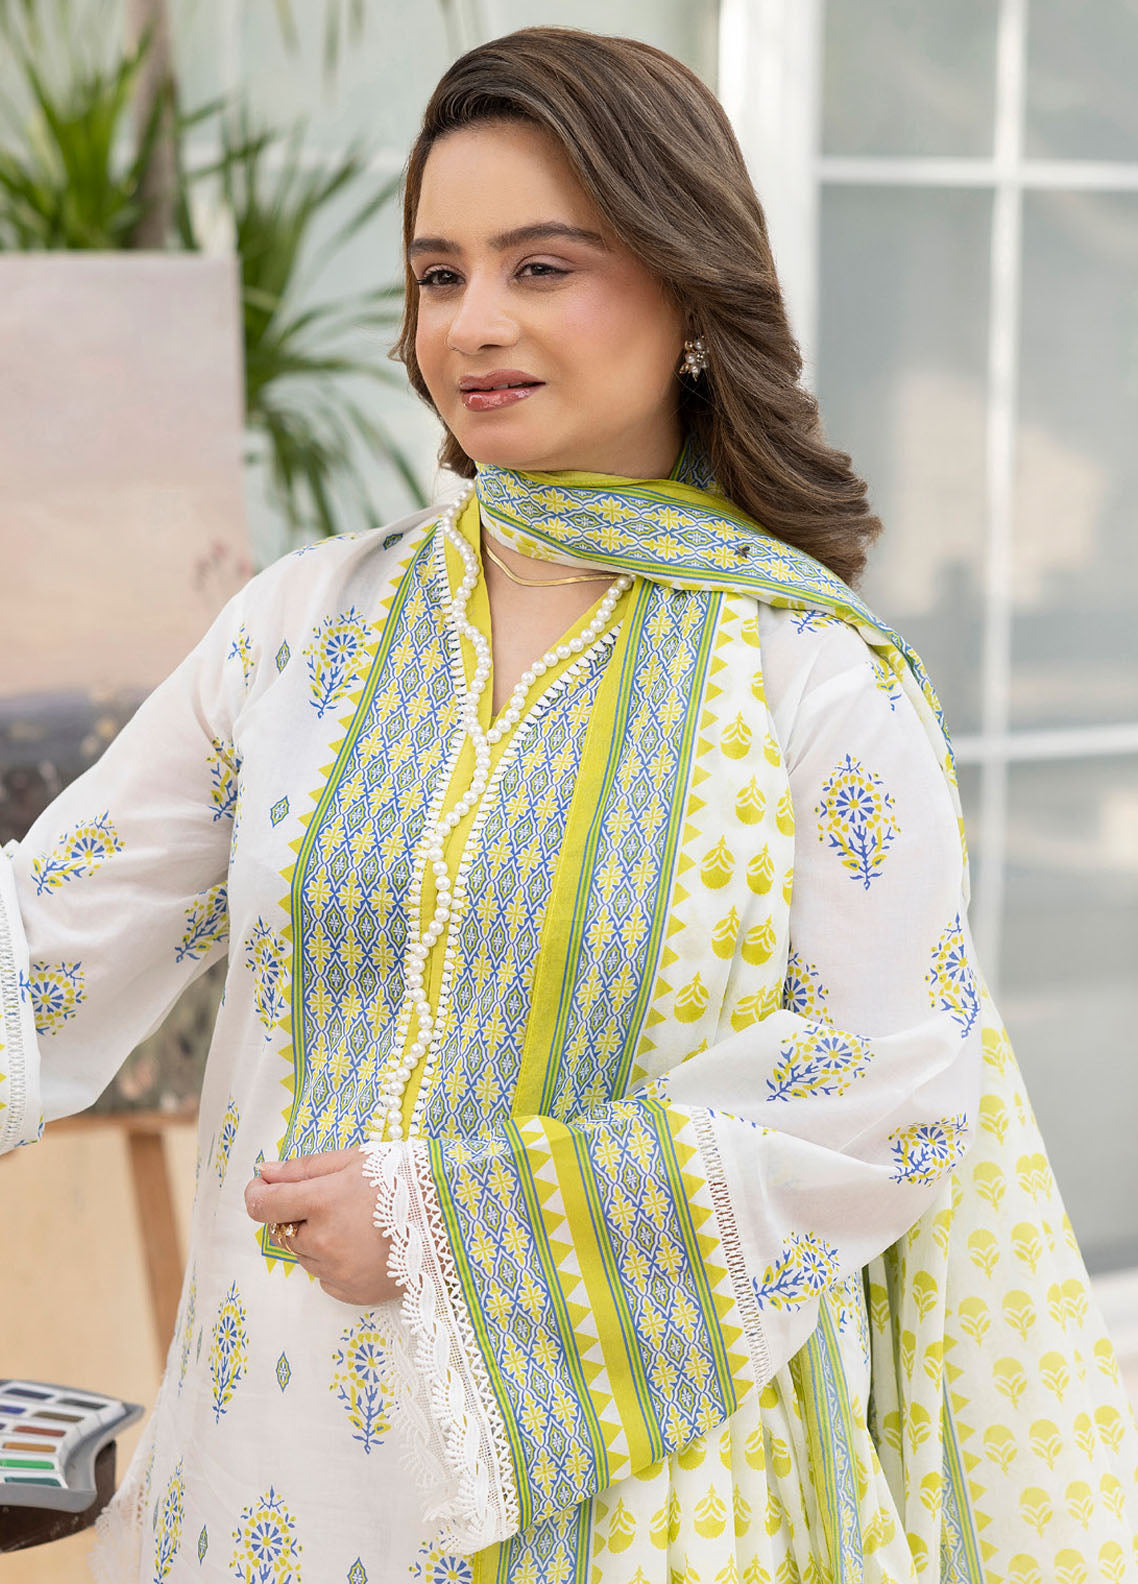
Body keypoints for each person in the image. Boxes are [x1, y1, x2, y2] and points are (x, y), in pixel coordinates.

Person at [2, 26, 1136, 1584]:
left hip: (647, 1500)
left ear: (686, 290)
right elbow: (49, 937)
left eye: (541, 267)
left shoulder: (808, 679)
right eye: (438, 274)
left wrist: (451, 1227)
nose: (472, 323)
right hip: (280, 1474)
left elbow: (887, 1088)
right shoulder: (303, 628)